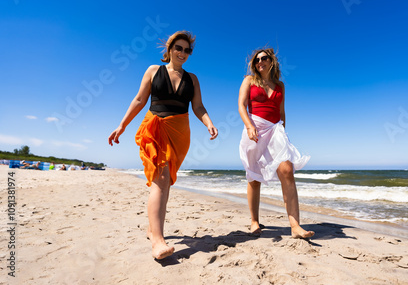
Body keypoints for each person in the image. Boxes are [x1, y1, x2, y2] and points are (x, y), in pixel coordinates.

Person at [108, 30, 218, 260]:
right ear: (169, 49)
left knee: (165, 182)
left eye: (187, 50)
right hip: (155, 128)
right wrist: (122, 125)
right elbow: (139, 100)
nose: (183, 53)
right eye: (178, 48)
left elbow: (198, 106)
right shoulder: (153, 71)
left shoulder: (193, 79)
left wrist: (208, 123)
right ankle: (157, 241)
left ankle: (151, 229)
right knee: (161, 178)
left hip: (180, 132)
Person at [238, 47, 314, 239]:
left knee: (287, 169)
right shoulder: (249, 80)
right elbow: (241, 105)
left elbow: (281, 112)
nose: (259, 62)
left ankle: (295, 226)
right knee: (254, 178)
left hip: (275, 130)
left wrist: (283, 132)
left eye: (263, 58)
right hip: (254, 128)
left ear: (272, 61)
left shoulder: (280, 86)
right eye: (256, 60)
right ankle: (254, 221)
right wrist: (248, 126)